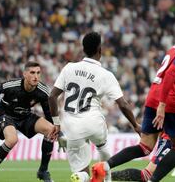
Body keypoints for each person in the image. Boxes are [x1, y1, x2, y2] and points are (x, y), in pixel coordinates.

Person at [92, 14, 175, 182]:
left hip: (154, 96)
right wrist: (163, 105)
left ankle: (104, 167)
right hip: (169, 102)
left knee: (145, 147)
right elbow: (172, 72)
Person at [48, 32, 141, 182]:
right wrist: (135, 125)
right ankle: (106, 177)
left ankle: (81, 176)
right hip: (94, 122)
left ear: (83, 49)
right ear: (100, 49)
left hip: (72, 127)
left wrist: (56, 124)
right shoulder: (106, 75)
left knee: (81, 170)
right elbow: (123, 104)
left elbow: (52, 96)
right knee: (102, 146)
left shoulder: (69, 68)